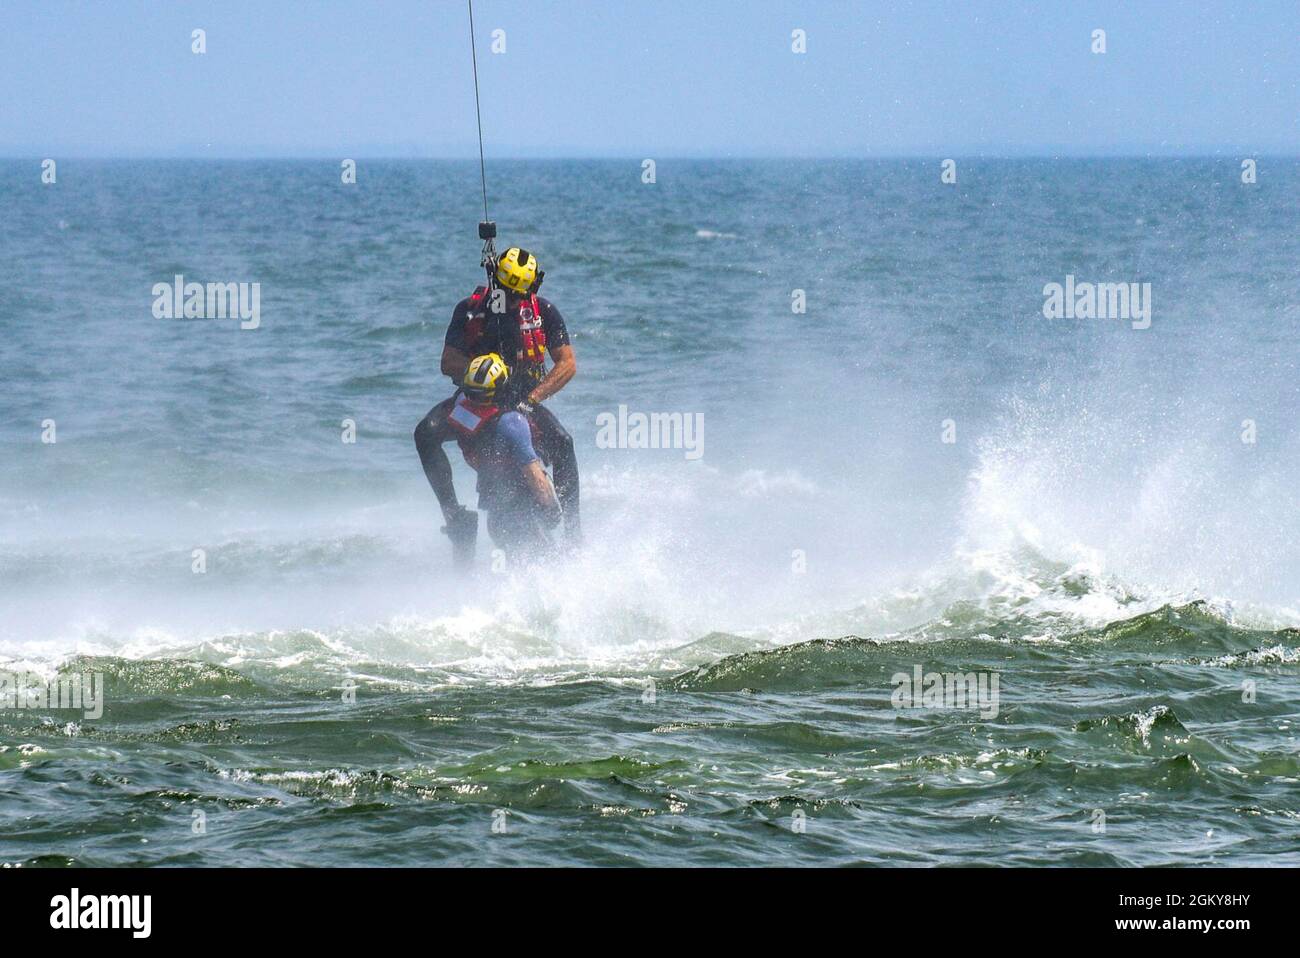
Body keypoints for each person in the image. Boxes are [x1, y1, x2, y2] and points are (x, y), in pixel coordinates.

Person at [414, 245, 579, 557]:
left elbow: (567, 364)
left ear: (533, 287)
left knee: (563, 442)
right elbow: (448, 362)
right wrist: (483, 374)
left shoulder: (544, 312)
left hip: (521, 401)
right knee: (425, 433)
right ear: (495, 282)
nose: (514, 301)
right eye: (508, 293)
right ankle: (455, 517)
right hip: (477, 397)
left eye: (521, 294)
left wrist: (531, 400)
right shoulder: (469, 311)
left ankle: (573, 531)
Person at [445, 353, 561, 559]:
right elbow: (535, 478)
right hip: (525, 513)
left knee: (513, 569)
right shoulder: (512, 423)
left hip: (495, 518)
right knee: (549, 562)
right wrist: (552, 509)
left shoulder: (461, 409)